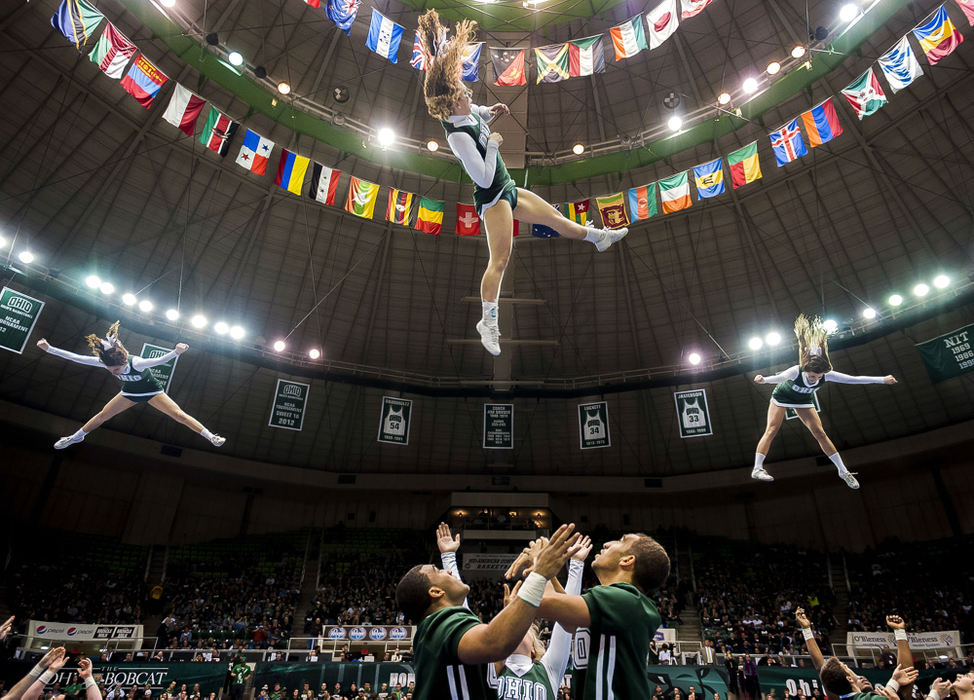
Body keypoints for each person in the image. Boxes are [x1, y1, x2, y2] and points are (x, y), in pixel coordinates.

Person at [415, 10, 628, 357]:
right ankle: (488, 322)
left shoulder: (463, 112)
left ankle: (598, 239)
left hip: (508, 188)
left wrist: (489, 110)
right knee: (499, 261)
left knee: (557, 221)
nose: (471, 95)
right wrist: (495, 144)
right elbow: (481, 176)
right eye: (467, 95)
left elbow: (474, 112)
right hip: (493, 197)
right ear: (454, 101)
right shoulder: (456, 137)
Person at [395, 523, 580, 700]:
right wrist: (539, 573)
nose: (448, 572)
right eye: (439, 570)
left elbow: (567, 624)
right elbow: (497, 641)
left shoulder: (449, 633)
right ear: (436, 592)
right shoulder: (439, 625)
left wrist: (515, 612)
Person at [751, 314, 897, 489]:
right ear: (805, 371)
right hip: (781, 398)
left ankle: (843, 471)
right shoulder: (796, 371)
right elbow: (780, 377)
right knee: (772, 429)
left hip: (804, 400)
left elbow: (854, 379)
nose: (814, 379)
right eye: (812, 376)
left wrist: (883, 379)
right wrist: (764, 380)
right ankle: (758, 468)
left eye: (818, 377)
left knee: (820, 433)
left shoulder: (826, 374)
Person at [519, 533, 670, 699]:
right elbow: (568, 621)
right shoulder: (619, 603)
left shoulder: (624, 599)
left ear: (627, 560)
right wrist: (553, 569)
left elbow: (541, 602)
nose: (605, 544)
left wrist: (540, 563)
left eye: (621, 540)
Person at [36, 321, 225, 449]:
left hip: (152, 392)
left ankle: (211, 436)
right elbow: (76, 357)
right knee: (103, 415)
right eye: (111, 370)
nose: (114, 373)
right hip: (129, 393)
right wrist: (49, 349)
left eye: (116, 370)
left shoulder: (137, 363)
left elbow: (160, 361)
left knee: (178, 415)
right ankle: (76, 437)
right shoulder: (107, 363)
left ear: (124, 362)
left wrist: (176, 352)